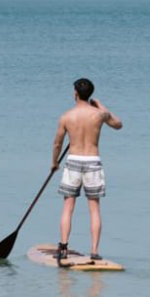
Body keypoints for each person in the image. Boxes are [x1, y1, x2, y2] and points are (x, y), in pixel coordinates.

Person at [52, 77, 122, 265]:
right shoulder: (99, 115)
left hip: (73, 161)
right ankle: (94, 251)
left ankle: (64, 247)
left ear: (75, 93)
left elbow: (58, 142)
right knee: (94, 209)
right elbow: (118, 124)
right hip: (92, 161)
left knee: (68, 207)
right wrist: (101, 107)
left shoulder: (66, 116)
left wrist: (54, 163)